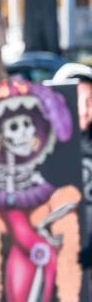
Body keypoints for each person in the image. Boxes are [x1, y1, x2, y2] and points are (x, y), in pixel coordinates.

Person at [53, 62, 92, 269]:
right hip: (62, 261)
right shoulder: (46, 150)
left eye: (91, 100)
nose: (85, 110)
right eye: (78, 101)